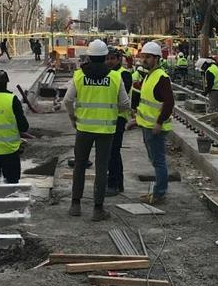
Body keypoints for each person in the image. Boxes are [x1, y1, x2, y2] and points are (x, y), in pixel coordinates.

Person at [65, 39, 130, 221]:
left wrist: (73, 118)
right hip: (106, 129)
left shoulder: (79, 75)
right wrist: (114, 112)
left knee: (79, 165)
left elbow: (67, 101)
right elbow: (125, 103)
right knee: (102, 168)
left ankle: (75, 205)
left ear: (89, 55)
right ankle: (98, 209)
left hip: (84, 128)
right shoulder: (115, 77)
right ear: (104, 56)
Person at [135, 41, 174, 205]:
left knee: (158, 161)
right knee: (154, 160)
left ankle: (159, 193)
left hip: (155, 128)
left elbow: (169, 103)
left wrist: (159, 122)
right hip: (147, 126)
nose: (145, 59)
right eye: (143, 56)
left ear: (157, 59)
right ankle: (158, 191)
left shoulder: (161, 77)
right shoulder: (149, 75)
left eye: (148, 57)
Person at [104, 47, 132, 197]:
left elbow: (120, 97)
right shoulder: (107, 74)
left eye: (112, 58)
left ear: (118, 59)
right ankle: (117, 183)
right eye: (107, 58)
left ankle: (113, 184)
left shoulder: (124, 75)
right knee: (112, 152)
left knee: (113, 152)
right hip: (108, 118)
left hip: (119, 118)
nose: (109, 61)